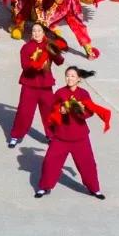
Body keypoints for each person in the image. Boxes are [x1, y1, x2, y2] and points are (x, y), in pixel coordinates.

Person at [36, 66, 111, 199]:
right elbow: (52, 111)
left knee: (88, 164)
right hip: (61, 137)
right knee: (50, 162)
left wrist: (81, 111)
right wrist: (60, 111)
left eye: (72, 76)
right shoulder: (59, 93)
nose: (69, 78)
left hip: (80, 137)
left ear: (78, 79)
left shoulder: (84, 94)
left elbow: (89, 112)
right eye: (67, 75)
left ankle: (94, 189)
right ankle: (44, 187)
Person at [7, 22, 64, 148]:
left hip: (46, 86)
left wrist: (56, 51)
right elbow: (25, 66)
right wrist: (36, 65)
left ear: (43, 33)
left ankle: (52, 135)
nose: (36, 33)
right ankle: (16, 135)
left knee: (49, 112)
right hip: (29, 85)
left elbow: (59, 61)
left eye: (39, 31)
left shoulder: (48, 45)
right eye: (34, 31)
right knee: (24, 112)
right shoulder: (26, 48)